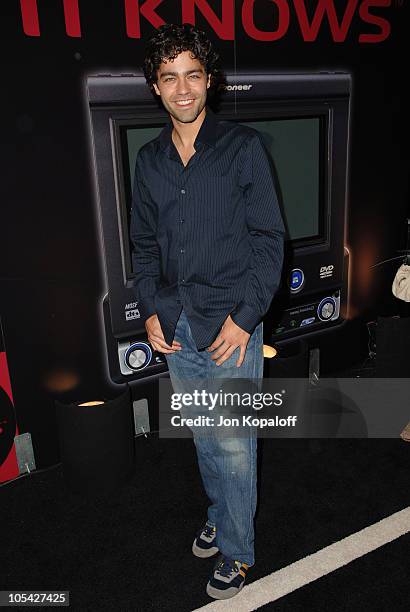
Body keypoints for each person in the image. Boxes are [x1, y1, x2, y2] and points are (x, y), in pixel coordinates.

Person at [130, 23, 285, 600]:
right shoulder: (148, 161)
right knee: (204, 435)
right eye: (169, 77)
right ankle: (222, 513)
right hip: (177, 327)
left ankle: (238, 553)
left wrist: (244, 319)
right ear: (155, 87)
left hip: (232, 326)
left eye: (192, 75)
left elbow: (271, 242)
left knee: (235, 444)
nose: (183, 88)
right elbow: (144, 245)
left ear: (210, 80)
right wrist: (150, 308)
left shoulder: (243, 149)